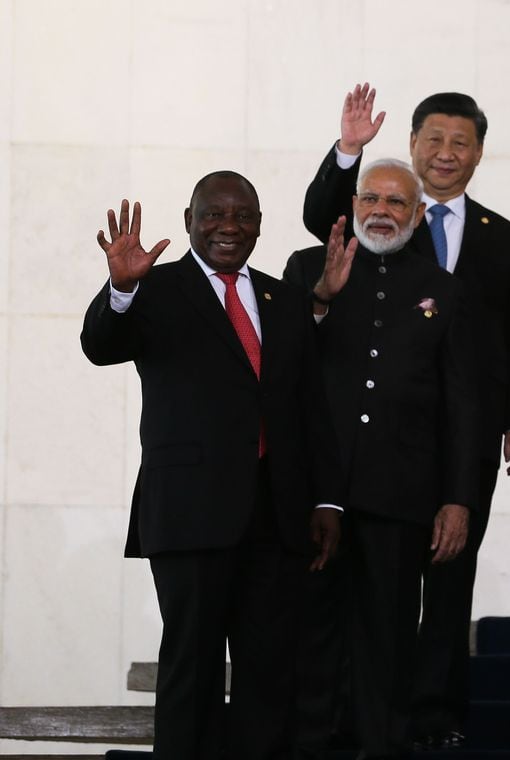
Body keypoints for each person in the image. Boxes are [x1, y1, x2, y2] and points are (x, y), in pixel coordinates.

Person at [299, 85, 510, 751]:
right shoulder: (344, 238)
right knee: (357, 596)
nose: (445, 152)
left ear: (479, 154)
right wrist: (348, 149)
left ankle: (436, 713)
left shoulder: (501, 237)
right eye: (432, 139)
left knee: (446, 574)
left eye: (460, 142)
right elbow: (321, 214)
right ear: (410, 146)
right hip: (357, 453)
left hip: (457, 436)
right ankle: (347, 718)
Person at [80, 172, 342, 759]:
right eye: (214, 214)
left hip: (275, 518)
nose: (229, 226)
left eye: (243, 215)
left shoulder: (284, 299)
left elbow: (309, 408)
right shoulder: (155, 287)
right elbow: (100, 345)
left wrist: (326, 500)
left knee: (269, 673)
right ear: (189, 221)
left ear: (258, 224)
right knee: (191, 669)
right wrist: (120, 288)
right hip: (189, 514)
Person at [284, 158, 480, 759]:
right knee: (311, 633)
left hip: (402, 494)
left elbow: (461, 407)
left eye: (397, 203)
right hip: (316, 491)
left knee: (390, 636)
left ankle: (382, 746)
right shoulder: (304, 269)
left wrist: (457, 497)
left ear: (419, 214)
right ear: (353, 204)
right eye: (371, 198)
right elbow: (281, 367)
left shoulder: (443, 290)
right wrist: (320, 300)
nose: (381, 211)